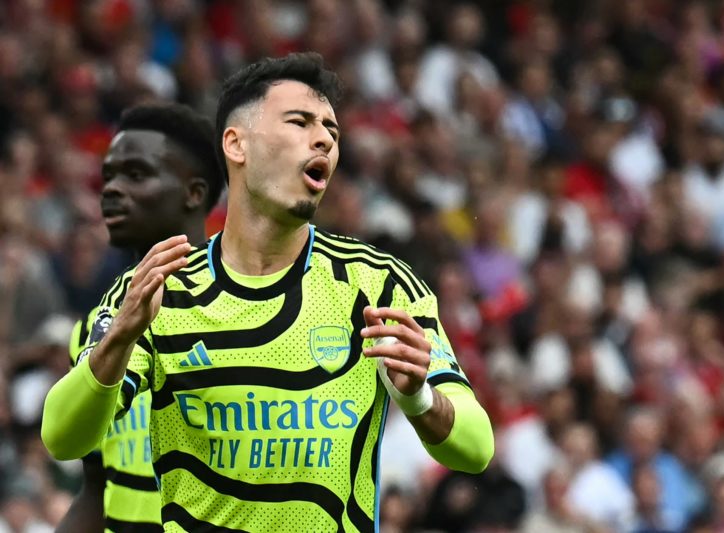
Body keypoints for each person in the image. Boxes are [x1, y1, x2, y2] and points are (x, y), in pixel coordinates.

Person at [41, 52, 494, 532]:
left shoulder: (376, 285)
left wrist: (420, 398)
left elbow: (477, 448)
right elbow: (62, 439)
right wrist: (118, 340)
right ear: (236, 144)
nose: (323, 137)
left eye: (332, 131)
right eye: (300, 122)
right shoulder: (162, 289)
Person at [55, 103, 224, 533]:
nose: (110, 189)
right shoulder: (97, 327)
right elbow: (96, 490)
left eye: (135, 175)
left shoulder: (243, 316)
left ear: (194, 193)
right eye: (108, 175)